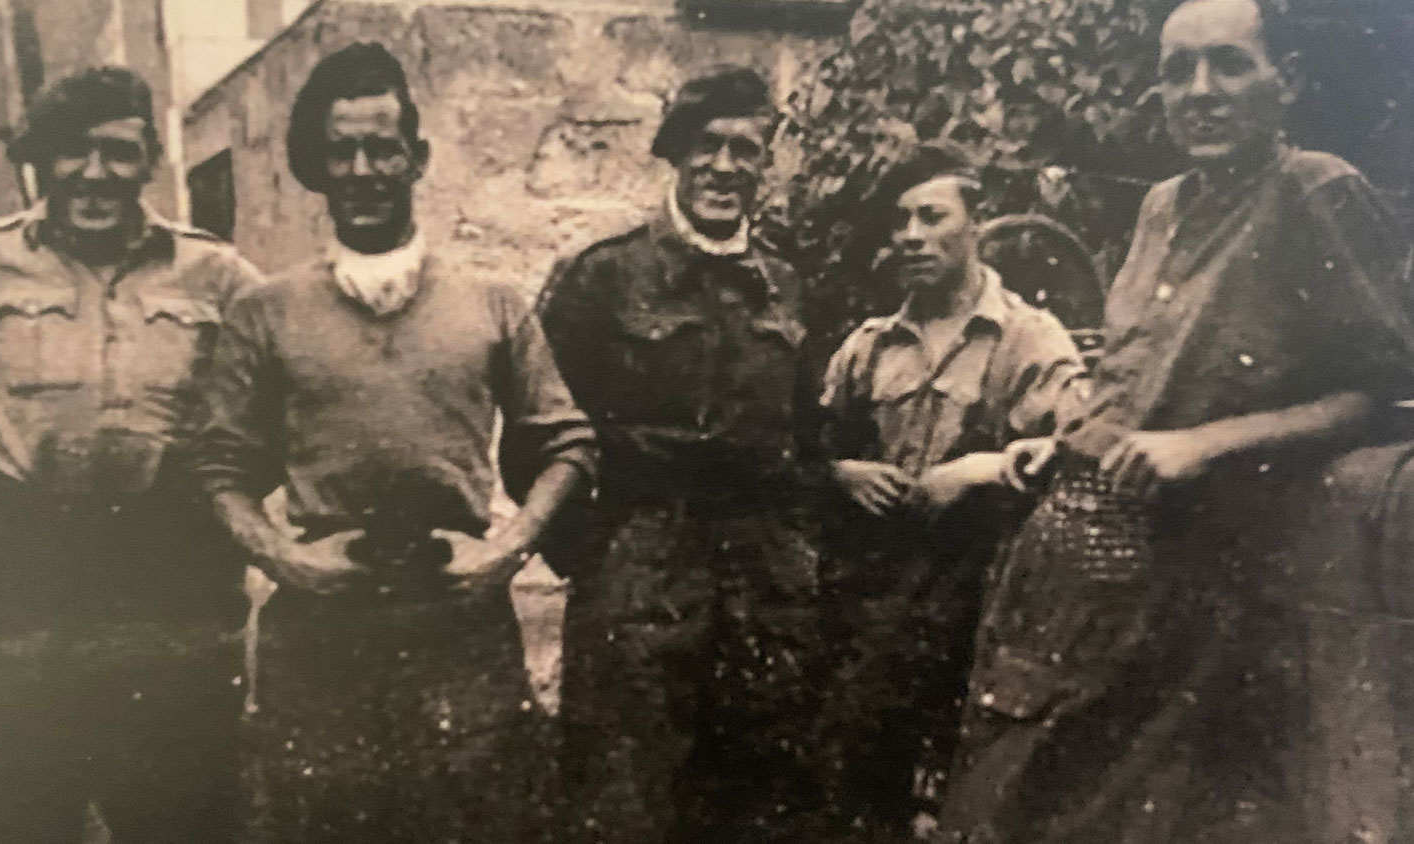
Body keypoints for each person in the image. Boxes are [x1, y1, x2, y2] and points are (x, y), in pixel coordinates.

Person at [938, 0, 1414, 841]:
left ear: (1285, 81)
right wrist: (1066, 439)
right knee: (1001, 790)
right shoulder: (1160, 205)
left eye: (1228, 64)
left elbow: (1380, 394)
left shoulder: (1316, 190)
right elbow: (1136, 376)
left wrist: (1206, 444)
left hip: (1195, 579)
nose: (1200, 91)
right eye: (1177, 70)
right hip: (1076, 567)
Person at [188, 42, 596, 842]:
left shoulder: (492, 302)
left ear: (418, 158)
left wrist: (507, 550)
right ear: (317, 168)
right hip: (323, 626)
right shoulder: (266, 312)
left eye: (383, 148)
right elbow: (220, 466)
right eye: (342, 152)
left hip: (459, 623)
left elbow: (567, 445)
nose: (364, 170)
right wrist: (284, 559)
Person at [0, 67, 262, 843]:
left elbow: (290, 386)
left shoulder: (217, 274)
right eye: (72, 150)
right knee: (13, 816)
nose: (95, 173)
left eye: (119, 151)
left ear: (149, 163)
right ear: (41, 161)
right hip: (18, 587)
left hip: (167, 588)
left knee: (183, 816)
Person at [536, 66, 827, 843]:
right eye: (708, 146)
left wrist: (790, 557)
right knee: (624, 809)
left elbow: (807, 437)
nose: (725, 167)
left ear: (766, 164)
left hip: (760, 598)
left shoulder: (786, 287)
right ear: (675, 152)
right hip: (637, 590)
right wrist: (599, 561)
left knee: (747, 808)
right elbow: (539, 435)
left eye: (746, 149)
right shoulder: (603, 275)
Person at [815, 145, 1085, 842]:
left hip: (986, 618)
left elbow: (1084, 452)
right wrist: (842, 473)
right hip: (875, 621)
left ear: (977, 223)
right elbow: (807, 455)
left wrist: (986, 468)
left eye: (931, 216)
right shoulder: (868, 347)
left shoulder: (1029, 340)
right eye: (899, 220)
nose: (910, 236)